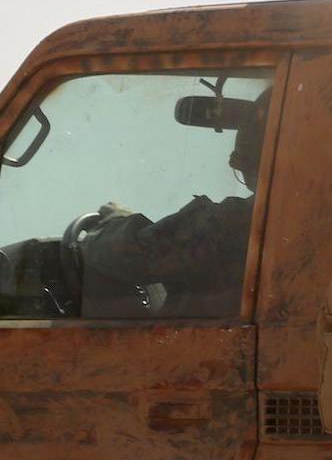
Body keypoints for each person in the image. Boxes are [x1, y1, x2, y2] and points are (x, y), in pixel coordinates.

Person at [79, 91, 268, 318]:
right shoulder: (296, 222)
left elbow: (135, 254)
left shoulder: (234, 223)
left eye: (243, 163)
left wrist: (109, 223)